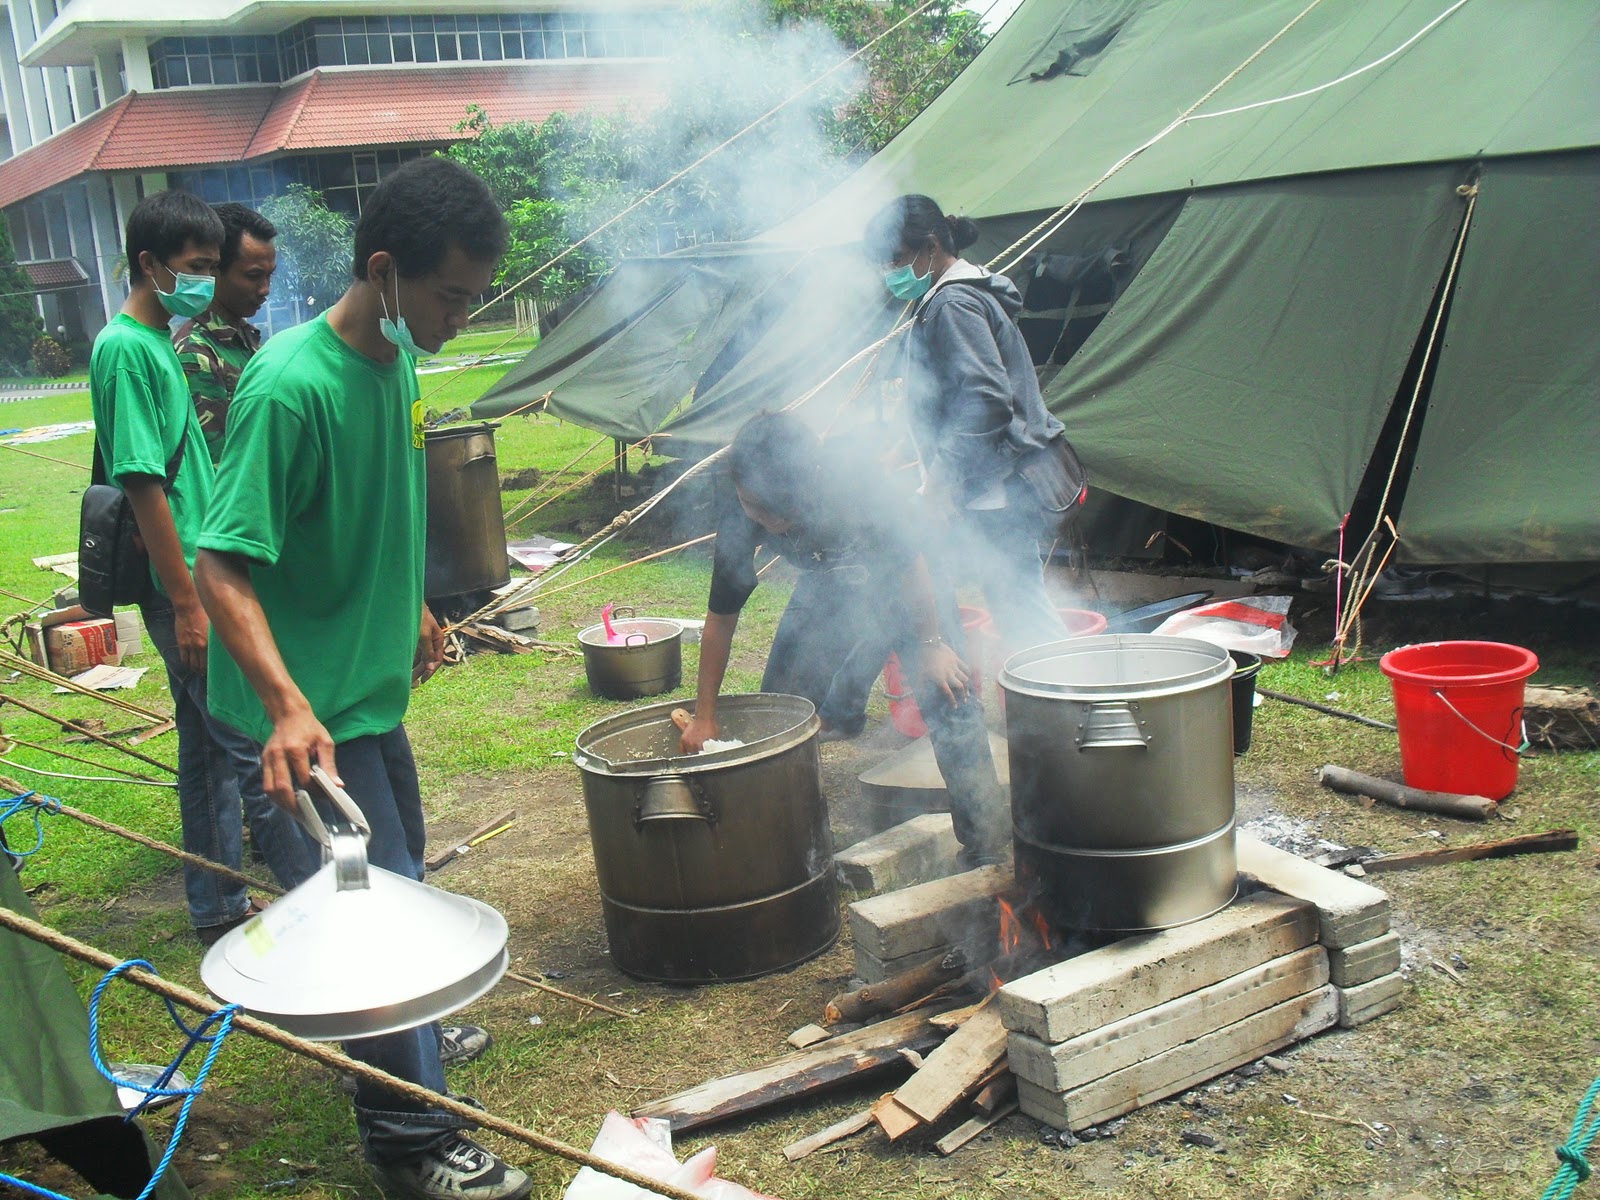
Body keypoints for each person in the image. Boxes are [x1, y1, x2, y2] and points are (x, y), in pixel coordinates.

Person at [191, 157, 524, 1200]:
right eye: (453, 296)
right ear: (384, 271)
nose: (464, 318)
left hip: (366, 697)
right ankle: (408, 1142)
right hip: (302, 722)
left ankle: (410, 1039)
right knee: (368, 928)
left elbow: (368, 512)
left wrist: (411, 605)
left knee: (405, 882)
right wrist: (287, 703)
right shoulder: (291, 387)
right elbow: (220, 562)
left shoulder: (399, 360)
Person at [87, 190, 317, 947]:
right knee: (255, 748)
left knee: (206, 752)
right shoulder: (126, 349)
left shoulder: (158, 342)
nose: (204, 279)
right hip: (179, 584)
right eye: (193, 267)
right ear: (148, 265)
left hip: (193, 575)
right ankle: (324, 913)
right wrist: (187, 602)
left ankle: (215, 902)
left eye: (211, 267)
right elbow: (143, 481)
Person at [679, 411, 1009, 866]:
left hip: (907, 579)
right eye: (752, 505)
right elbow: (721, 618)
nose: (760, 518)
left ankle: (986, 842)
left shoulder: (859, 484)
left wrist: (932, 645)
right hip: (829, 582)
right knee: (781, 708)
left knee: (949, 694)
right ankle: (790, 843)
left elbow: (912, 566)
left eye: (773, 511)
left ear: (807, 485)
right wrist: (705, 716)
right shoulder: (744, 498)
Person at [864, 193, 1088, 657]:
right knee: (1017, 603)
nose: (891, 274)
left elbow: (985, 400)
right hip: (996, 483)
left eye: (897, 260)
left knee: (1020, 607)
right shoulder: (958, 295)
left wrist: (941, 481)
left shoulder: (953, 304)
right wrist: (906, 451)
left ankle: (1074, 701)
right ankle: (1065, 696)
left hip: (997, 491)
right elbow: (950, 397)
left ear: (929, 247)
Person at [173, 202, 277, 463]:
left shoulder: (245, 338)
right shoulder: (196, 351)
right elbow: (218, 463)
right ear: (215, 270)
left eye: (269, 276)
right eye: (253, 276)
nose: (265, 289)